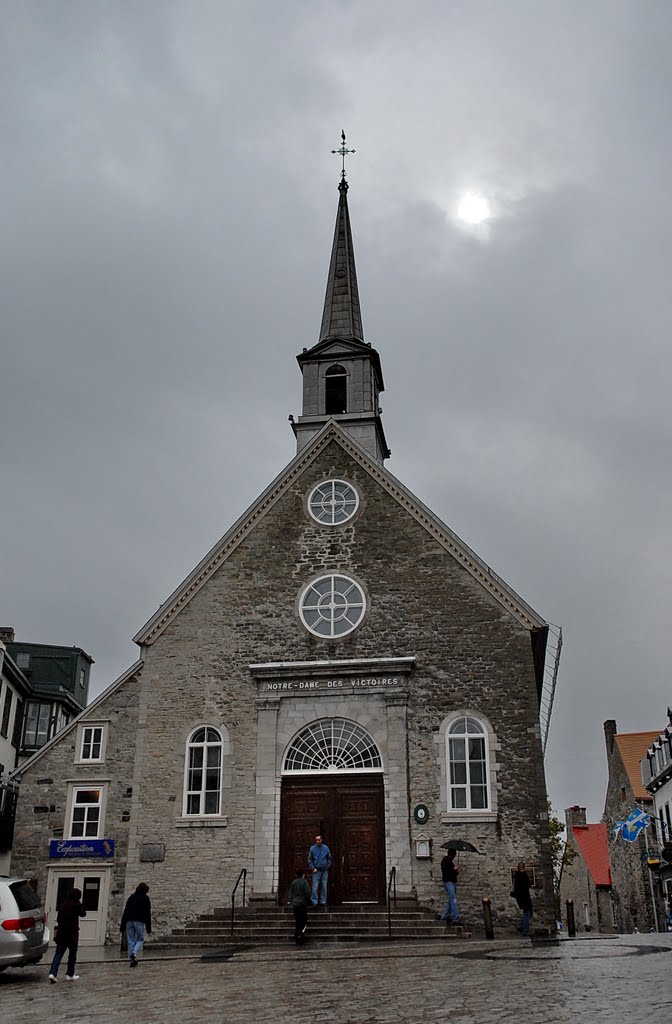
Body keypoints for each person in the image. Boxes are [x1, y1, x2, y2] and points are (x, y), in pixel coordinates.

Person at [48, 887, 86, 982]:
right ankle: (70, 974)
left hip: (62, 933)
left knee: (58, 953)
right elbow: (83, 914)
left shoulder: (63, 905)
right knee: (72, 954)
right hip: (72, 934)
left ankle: (53, 973)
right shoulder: (77, 905)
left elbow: (58, 919)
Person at [120, 882, 152, 967]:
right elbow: (147, 913)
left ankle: (131, 960)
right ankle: (134, 954)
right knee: (140, 939)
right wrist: (149, 928)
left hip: (129, 920)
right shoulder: (145, 898)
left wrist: (122, 925)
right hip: (139, 921)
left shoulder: (131, 897)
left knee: (130, 940)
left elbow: (126, 910)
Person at [288, 868, 312, 944]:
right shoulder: (305, 882)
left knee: (297, 921)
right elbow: (308, 892)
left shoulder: (293, 882)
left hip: (295, 904)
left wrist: (290, 901)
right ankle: (301, 934)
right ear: (303, 875)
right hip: (302, 903)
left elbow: (291, 893)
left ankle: (296, 934)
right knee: (304, 921)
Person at [308, 835, 332, 908]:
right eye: (316, 840)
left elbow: (329, 858)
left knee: (324, 886)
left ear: (322, 840)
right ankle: (314, 902)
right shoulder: (312, 849)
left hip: (324, 870)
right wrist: (312, 868)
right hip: (316, 870)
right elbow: (310, 859)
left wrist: (327, 866)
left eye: (319, 840)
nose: (317, 841)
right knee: (315, 886)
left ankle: (323, 901)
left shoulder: (326, 848)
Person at [511, 861, 533, 936]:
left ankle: (521, 926)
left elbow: (514, 886)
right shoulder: (524, 875)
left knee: (526, 913)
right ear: (524, 867)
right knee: (528, 913)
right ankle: (524, 929)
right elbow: (528, 885)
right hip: (525, 896)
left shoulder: (516, 875)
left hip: (519, 897)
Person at [439, 848, 461, 924]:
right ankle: (456, 918)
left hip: (452, 881)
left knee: (451, 900)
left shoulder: (451, 863)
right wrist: (453, 869)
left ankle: (445, 915)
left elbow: (453, 873)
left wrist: (456, 871)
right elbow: (446, 872)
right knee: (453, 899)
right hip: (448, 882)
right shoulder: (445, 862)